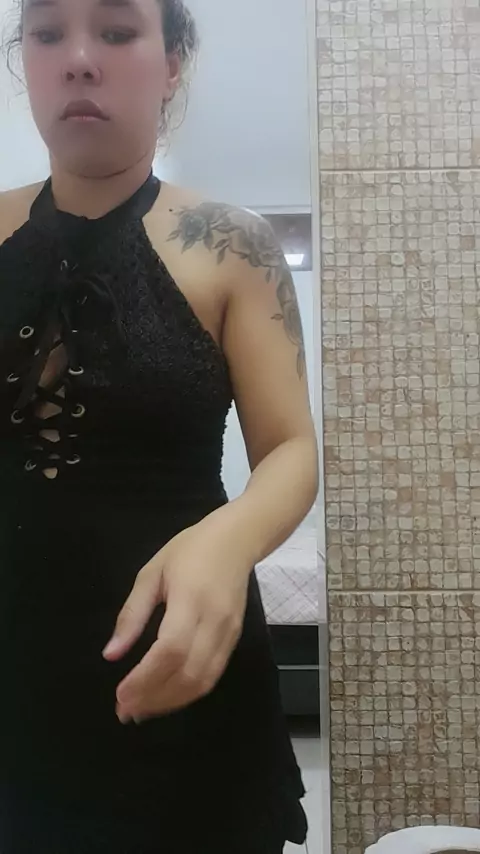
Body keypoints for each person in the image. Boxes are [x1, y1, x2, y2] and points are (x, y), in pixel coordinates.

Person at [0, 0, 319, 851]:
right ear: (25, 59)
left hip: (182, 667)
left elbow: (290, 449)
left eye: (116, 32)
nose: (78, 59)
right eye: (47, 33)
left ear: (172, 62)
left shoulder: (234, 245)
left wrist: (229, 541)